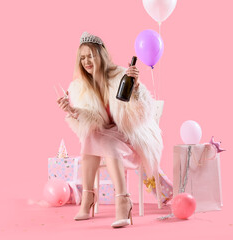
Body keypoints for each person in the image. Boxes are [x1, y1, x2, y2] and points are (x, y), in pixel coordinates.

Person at [57, 32, 163, 228]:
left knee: (102, 141)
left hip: (129, 136)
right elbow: (92, 121)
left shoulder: (121, 75)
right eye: (82, 58)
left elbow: (142, 113)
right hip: (103, 137)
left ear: (100, 55)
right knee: (91, 136)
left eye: (90, 55)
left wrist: (137, 87)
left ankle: (117, 200)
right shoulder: (79, 86)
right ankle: (96, 197)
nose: (86, 61)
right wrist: (72, 110)